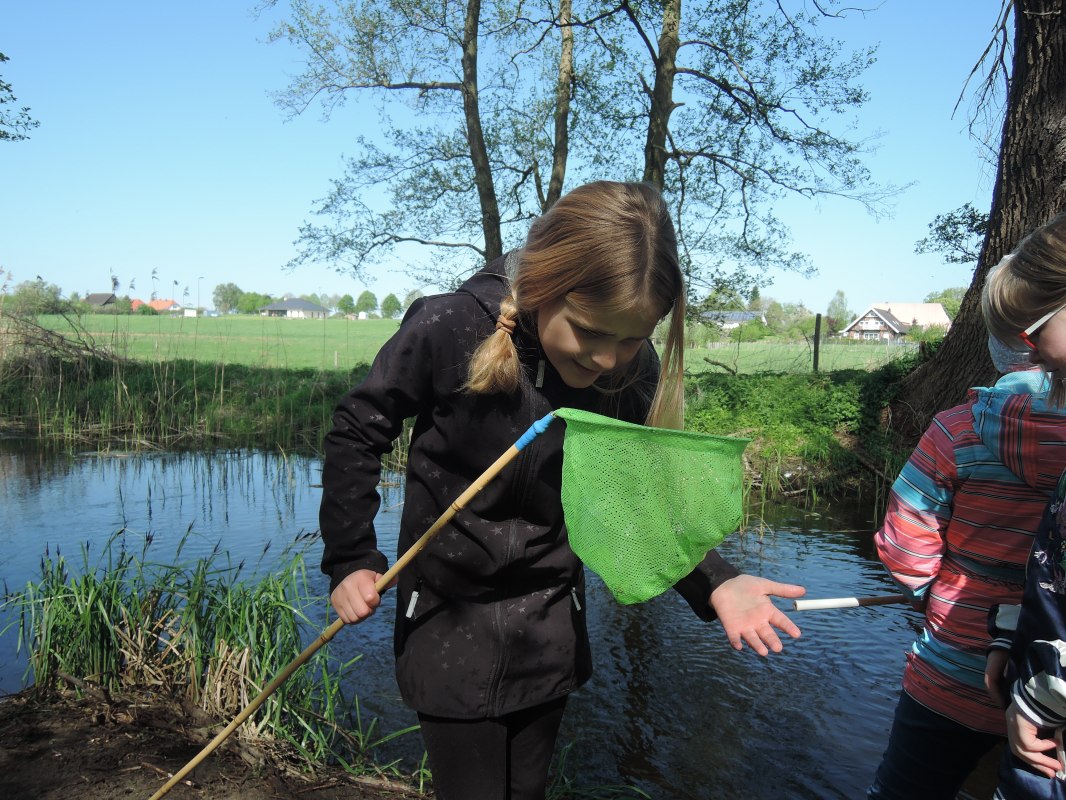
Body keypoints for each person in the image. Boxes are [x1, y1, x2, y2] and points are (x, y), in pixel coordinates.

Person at [318, 180, 806, 800]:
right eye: (590, 332)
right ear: (546, 287)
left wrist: (716, 581)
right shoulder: (450, 325)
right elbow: (358, 430)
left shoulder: (631, 374)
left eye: (630, 339)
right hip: (445, 615)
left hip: (548, 622)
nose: (608, 360)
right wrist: (351, 557)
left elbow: (637, 500)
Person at [866, 316, 1066, 800]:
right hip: (1056, 688)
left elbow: (904, 544)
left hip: (955, 665)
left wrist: (929, 596)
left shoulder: (957, 430)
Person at [981, 213, 1066, 799]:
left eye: (1031, 332)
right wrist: (1013, 640)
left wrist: (1037, 697)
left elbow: (902, 547)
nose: (1028, 354)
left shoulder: (952, 433)